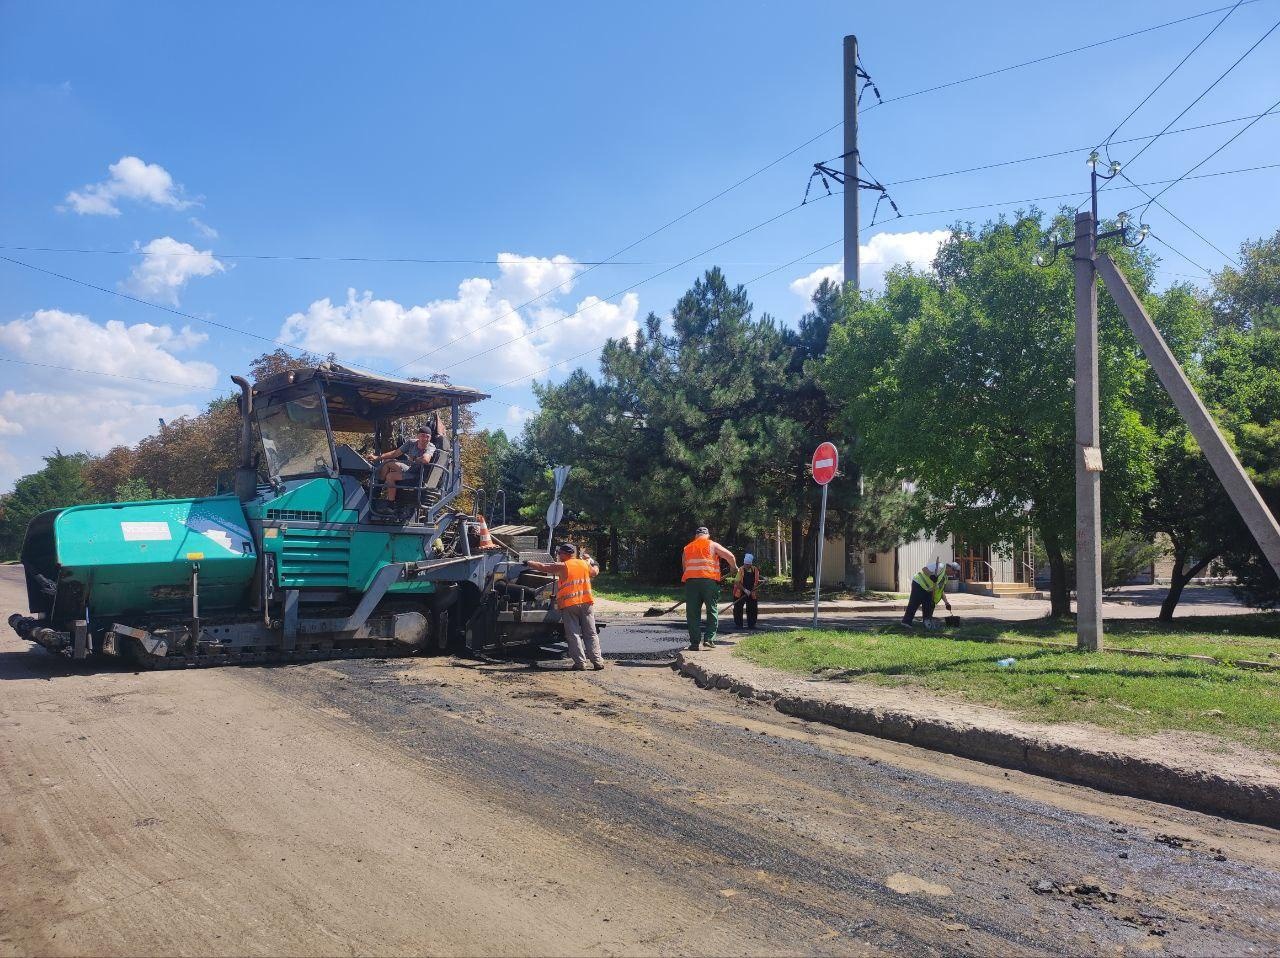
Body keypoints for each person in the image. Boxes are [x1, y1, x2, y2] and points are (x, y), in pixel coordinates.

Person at [526, 543, 604, 670]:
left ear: (566, 554)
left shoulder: (564, 566)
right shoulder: (584, 564)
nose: (558, 556)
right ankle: (598, 661)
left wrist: (528, 562)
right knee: (591, 633)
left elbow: (543, 567)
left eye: (560, 553)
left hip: (570, 605)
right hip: (587, 603)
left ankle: (580, 663)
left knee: (573, 634)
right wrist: (593, 562)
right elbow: (594, 572)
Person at [681, 526, 737, 651]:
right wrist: (733, 568)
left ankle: (694, 643)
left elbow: (685, 568)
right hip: (709, 582)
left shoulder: (687, 548)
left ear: (696, 536)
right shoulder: (712, 545)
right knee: (711, 610)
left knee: (692, 613)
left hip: (691, 583)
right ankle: (709, 639)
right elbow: (730, 557)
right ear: (707, 535)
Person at [373, 426, 436, 503]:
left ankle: (390, 504)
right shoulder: (411, 443)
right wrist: (378, 458)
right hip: (410, 469)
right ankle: (377, 491)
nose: (425, 439)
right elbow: (395, 453)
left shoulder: (431, 446)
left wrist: (414, 459)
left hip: (418, 474)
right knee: (387, 462)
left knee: (390, 476)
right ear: (418, 436)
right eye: (423, 435)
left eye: (427, 437)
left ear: (430, 438)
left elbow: (425, 460)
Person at [902, 560, 959, 628]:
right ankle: (906, 622)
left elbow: (941, 591)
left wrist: (946, 603)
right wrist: (931, 576)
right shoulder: (940, 566)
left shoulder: (945, 578)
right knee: (914, 603)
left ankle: (927, 623)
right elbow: (924, 569)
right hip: (919, 583)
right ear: (949, 567)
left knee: (929, 605)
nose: (954, 573)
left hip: (928, 589)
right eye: (954, 571)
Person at [732, 553, 761, 630]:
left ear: (750, 564)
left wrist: (751, 590)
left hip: (751, 592)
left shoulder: (755, 569)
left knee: (752, 608)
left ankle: (752, 624)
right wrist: (744, 590)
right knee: (738, 608)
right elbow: (737, 582)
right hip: (740, 591)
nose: (746, 566)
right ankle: (738, 625)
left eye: (748, 564)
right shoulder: (740, 570)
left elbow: (757, 579)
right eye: (745, 564)